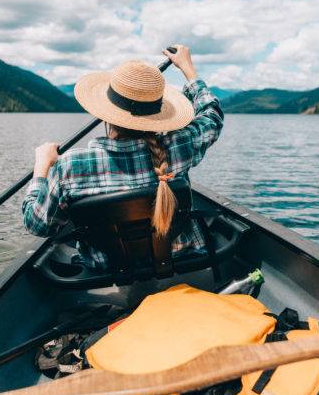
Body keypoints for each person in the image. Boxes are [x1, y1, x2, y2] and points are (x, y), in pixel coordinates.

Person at [21, 45, 223, 267]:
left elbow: (38, 225)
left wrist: (42, 167)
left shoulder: (71, 165)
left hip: (107, 270)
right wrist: (188, 69)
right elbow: (212, 116)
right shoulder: (179, 146)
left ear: (107, 114)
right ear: (158, 113)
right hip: (181, 262)